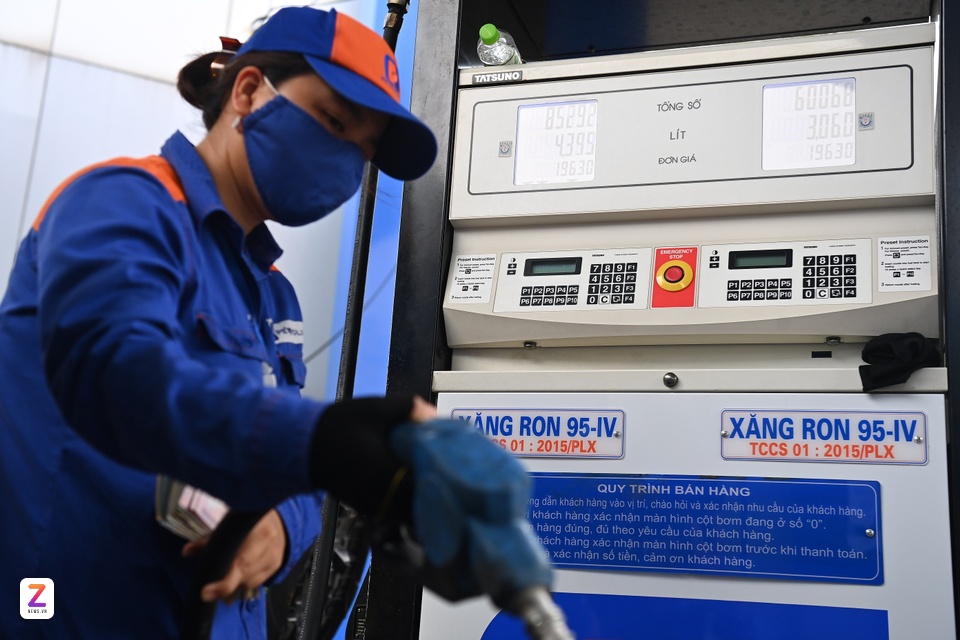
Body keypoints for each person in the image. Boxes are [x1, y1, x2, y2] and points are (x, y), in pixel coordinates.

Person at [0, 6, 438, 639]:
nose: (345, 162)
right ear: (249, 91)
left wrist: (282, 524)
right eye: (335, 122)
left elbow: (285, 462)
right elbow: (119, 373)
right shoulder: (121, 204)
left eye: (363, 151)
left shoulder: (273, 294)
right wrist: (323, 441)